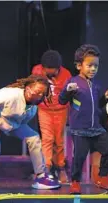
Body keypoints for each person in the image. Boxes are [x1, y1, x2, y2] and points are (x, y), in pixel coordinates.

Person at [58, 44, 108, 194]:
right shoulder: (73, 83)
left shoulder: (95, 85)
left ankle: (103, 177)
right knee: (80, 157)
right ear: (79, 66)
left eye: (96, 66)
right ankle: (75, 182)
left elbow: (98, 105)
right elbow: (61, 101)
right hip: (80, 128)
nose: (93, 69)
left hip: (95, 127)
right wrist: (66, 91)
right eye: (90, 65)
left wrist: (105, 97)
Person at [32, 50, 71, 183]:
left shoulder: (66, 74)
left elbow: (68, 96)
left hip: (61, 110)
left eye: (52, 71)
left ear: (58, 68)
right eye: (46, 70)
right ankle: (46, 169)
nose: (48, 72)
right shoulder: (37, 70)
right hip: (44, 110)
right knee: (47, 139)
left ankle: (61, 167)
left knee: (59, 141)